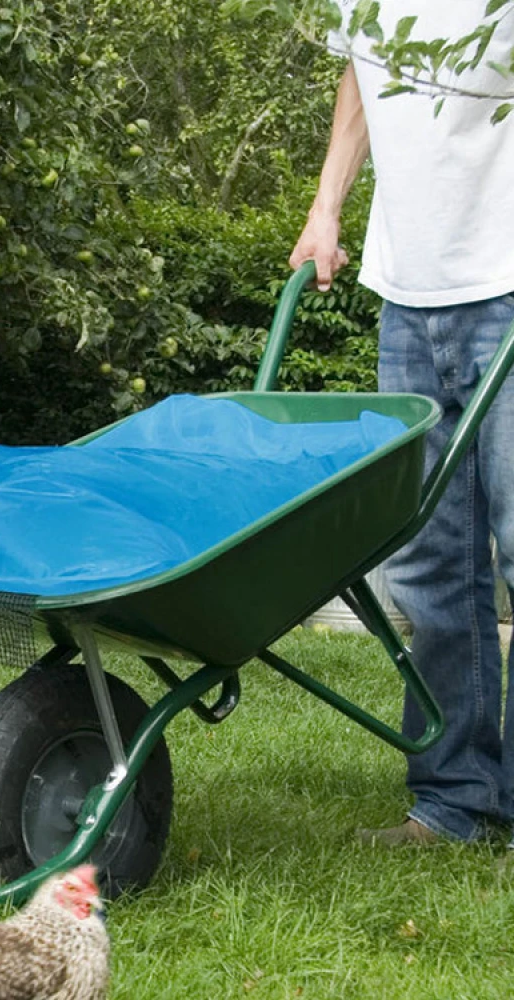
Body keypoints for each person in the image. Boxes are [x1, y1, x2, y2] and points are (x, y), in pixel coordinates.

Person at [290, 0, 514, 845]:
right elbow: (364, 68)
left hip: (506, 281)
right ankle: (456, 800)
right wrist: (327, 207)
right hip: (408, 297)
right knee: (431, 566)